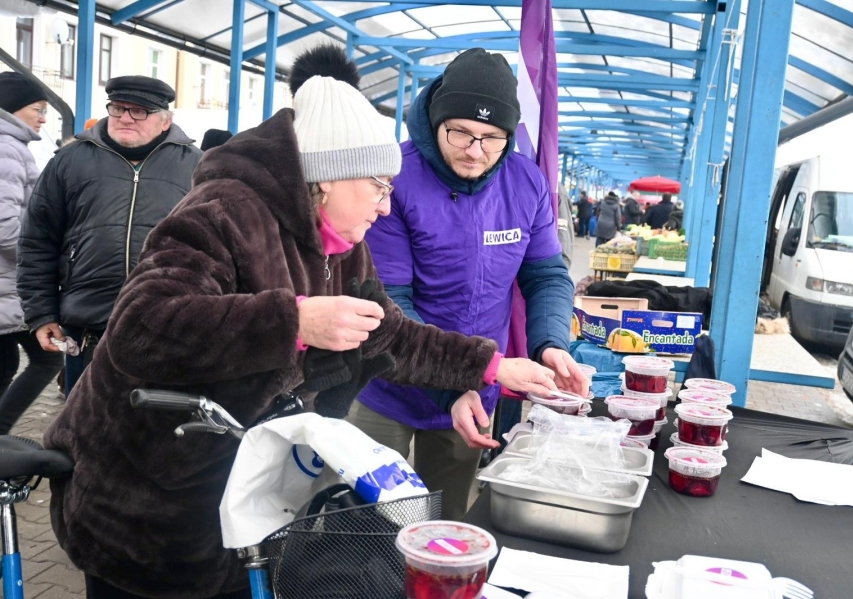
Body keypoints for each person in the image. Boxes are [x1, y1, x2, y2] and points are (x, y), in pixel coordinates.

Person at [42, 46, 557, 599]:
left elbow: (386, 331)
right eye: (379, 186)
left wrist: (492, 366)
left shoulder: (342, 243)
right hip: (144, 496)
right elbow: (140, 328)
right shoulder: (224, 211)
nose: (386, 206)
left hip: (236, 492)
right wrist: (292, 322)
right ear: (330, 178)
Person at [348, 48, 589, 521]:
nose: (475, 151)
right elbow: (392, 302)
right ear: (436, 120)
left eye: (492, 137)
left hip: (476, 388)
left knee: (446, 521)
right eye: (460, 132)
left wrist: (550, 344)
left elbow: (545, 274)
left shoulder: (527, 183)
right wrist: (452, 384)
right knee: (367, 519)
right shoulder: (394, 179)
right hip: (389, 380)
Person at [17, 75, 202, 397]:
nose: (125, 118)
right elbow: (38, 242)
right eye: (118, 108)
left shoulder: (197, 167)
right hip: (88, 325)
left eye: (139, 111)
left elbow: (214, 246)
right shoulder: (69, 161)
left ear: (165, 121)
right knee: (84, 420)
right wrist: (41, 313)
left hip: (168, 325)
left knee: (159, 421)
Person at [0, 72, 64, 434]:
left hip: (8, 283)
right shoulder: (6, 147)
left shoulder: (12, 145)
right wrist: (42, 257)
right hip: (9, 282)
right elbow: (4, 227)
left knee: (7, 365)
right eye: (37, 109)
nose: (42, 118)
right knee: (46, 358)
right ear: (11, 109)